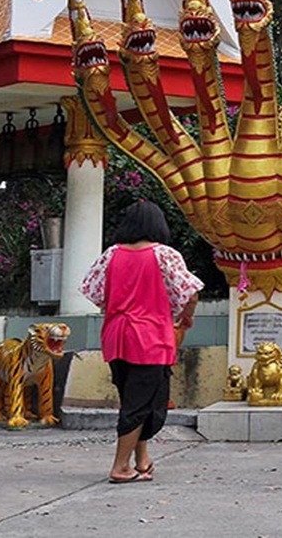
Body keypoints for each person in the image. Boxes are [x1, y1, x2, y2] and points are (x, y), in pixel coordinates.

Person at [79, 200, 203, 483]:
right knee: (145, 402)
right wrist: (186, 318)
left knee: (132, 400)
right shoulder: (164, 255)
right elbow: (190, 292)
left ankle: (141, 459)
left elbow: (93, 292)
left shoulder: (111, 255)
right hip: (149, 337)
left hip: (116, 335)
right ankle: (120, 467)